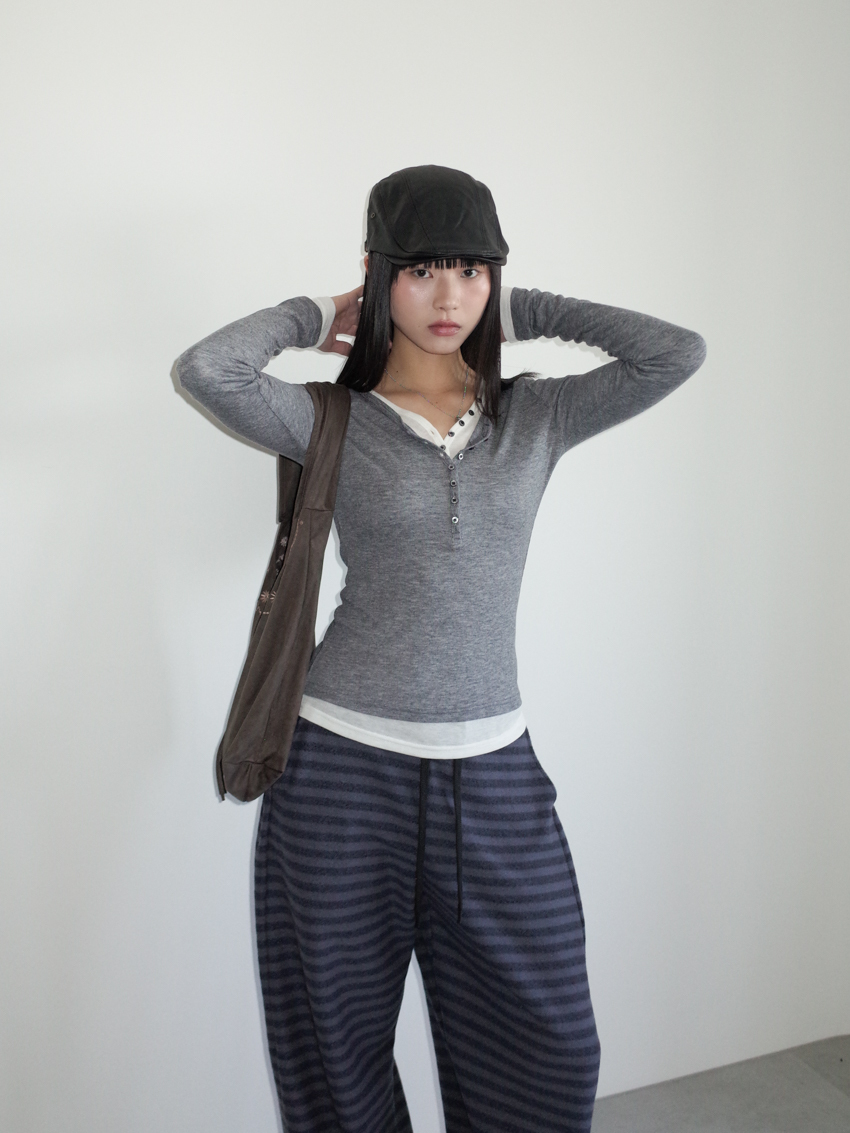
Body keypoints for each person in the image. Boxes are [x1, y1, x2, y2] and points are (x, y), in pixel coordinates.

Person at [174, 164, 706, 1133]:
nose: (448, 294)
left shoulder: (537, 415)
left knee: (548, 1051)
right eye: (421, 271)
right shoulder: (328, 419)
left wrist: (521, 307)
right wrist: (317, 313)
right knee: (335, 1056)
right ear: (381, 276)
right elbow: (210, 370)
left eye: (471, 269)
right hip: (339, 776)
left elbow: (675, 352)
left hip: (496, 775)